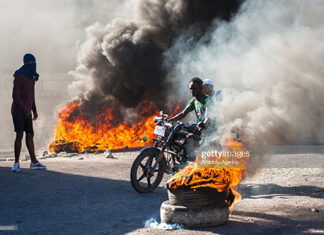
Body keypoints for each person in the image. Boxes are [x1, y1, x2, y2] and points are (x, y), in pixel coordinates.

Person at [11, 53, 46, 172]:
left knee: (30, 135)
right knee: (19, 135)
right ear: (26, 63)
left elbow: (31, 96)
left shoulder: (32, 77)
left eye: (35, 62)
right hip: (18, 111)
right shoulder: (19, 76)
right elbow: (15, 96)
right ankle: (16, 163)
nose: (34, 64)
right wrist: (26, 110)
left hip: (28, 112)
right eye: (31, 62)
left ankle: (34, 162)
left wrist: (34, 110)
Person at [168, 77, 213, 161]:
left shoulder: (207, 99)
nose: (192, 91)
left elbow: (208, 115)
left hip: (208, 130)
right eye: (191, 89)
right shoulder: (194, 101)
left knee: (189, 137)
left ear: (201, 88)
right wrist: (169, 120)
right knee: (177, 134)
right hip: (199, 128)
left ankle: (191, 161)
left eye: (194, 88)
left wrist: (203, 123)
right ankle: (181, 158)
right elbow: (182, 114)